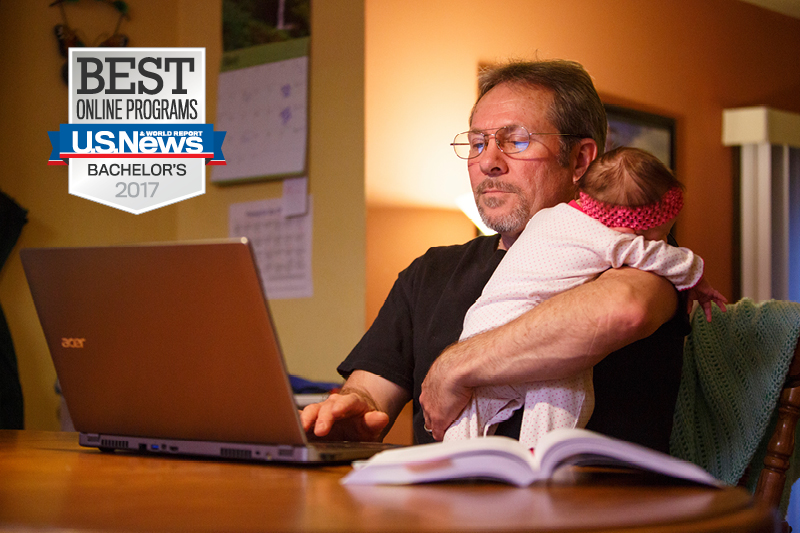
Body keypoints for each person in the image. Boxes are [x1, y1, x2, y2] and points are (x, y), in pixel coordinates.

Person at [301, 59, 691, 453]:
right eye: (477, 143)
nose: (488, 161)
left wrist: (455, 368)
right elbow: (370, 392)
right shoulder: (429, 272)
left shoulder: (635, 250)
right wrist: (354, 411)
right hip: (445, 507)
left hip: (588, 506)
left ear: (579, 160)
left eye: (515, 140)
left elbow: (623, 309)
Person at [444, 146, 727, 449]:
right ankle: (540, 456)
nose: (659, 241)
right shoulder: (609, 238)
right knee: (566, 382)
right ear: (629, 228)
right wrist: (696, 275)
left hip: (477, 333)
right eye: (658, 233)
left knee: (468, 415)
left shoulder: (547, 218)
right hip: (526, 340)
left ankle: (453, 456)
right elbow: (651, 255)